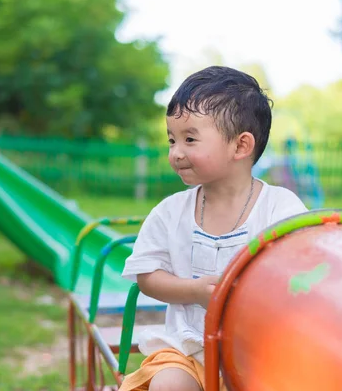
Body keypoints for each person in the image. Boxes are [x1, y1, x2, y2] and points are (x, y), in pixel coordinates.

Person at [119, 66, 308, 391]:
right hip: (186, 348)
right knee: (169, 385)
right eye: (172, 140)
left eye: (189, 139)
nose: (176, 152)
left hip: (261, 350)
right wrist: (193, 292)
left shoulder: (281, 208)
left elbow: (305, 270)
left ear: (240, 146)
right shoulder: (170, 212)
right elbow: (146, 275)